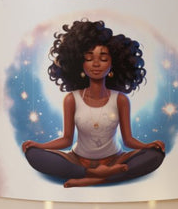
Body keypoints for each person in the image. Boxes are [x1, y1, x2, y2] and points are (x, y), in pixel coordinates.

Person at [22, 19, 165, 187]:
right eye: (89, 58)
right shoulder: (71, 99)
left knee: (156, 155)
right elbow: (67, 140)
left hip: (116, 159)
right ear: (80, 64)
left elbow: (128, 140)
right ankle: (95, 174)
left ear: (113, 65)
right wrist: (40, 145)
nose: (96, 64)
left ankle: (92, 179)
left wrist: (148, 145)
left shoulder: (120, 99)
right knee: (34, 155)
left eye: (103, 59)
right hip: (77, 160)